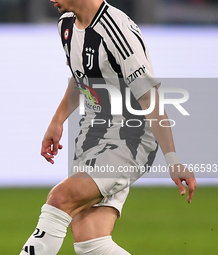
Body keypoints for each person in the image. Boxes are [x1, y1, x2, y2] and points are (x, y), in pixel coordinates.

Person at [19, 0, 197, 254]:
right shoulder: (66, 24)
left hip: (130, 135)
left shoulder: (118, 30)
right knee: (91, 242)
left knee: (60, 199)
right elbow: (81, 77)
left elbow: (148, 98)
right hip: (93, 133)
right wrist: (57, 121)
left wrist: (173, 160)